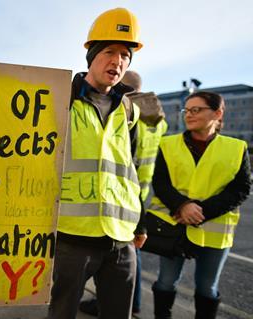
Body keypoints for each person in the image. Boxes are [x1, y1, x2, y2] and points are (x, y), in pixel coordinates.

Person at [47, 8, 147, 319]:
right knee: (62, 312)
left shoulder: (129, 111)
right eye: (110, 51)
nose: (118, 61)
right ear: (91, 56)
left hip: (120, 238)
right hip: (73, 238)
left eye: (125, 55)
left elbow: (131, 171)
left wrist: (139, 223)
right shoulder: (60, 96)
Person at [149, 91, 251, 318]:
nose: (189, 115)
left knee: (207, 287)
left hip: (214, 230)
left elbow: (241, 188)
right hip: (173, 225)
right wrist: (182, 205)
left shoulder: (236, 148)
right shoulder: (167, 144)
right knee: (165, 281)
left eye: (197, 110)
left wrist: (202, 211)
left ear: (217, 113)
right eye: (187, 110)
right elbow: (160, 182)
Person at [79, 70, 168, 317]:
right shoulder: (158, 119)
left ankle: (115, 302)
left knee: (120, 252)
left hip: (122, 185)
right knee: (130, 251)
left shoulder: (128, 111)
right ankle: (132, 302)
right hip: (141, 186)